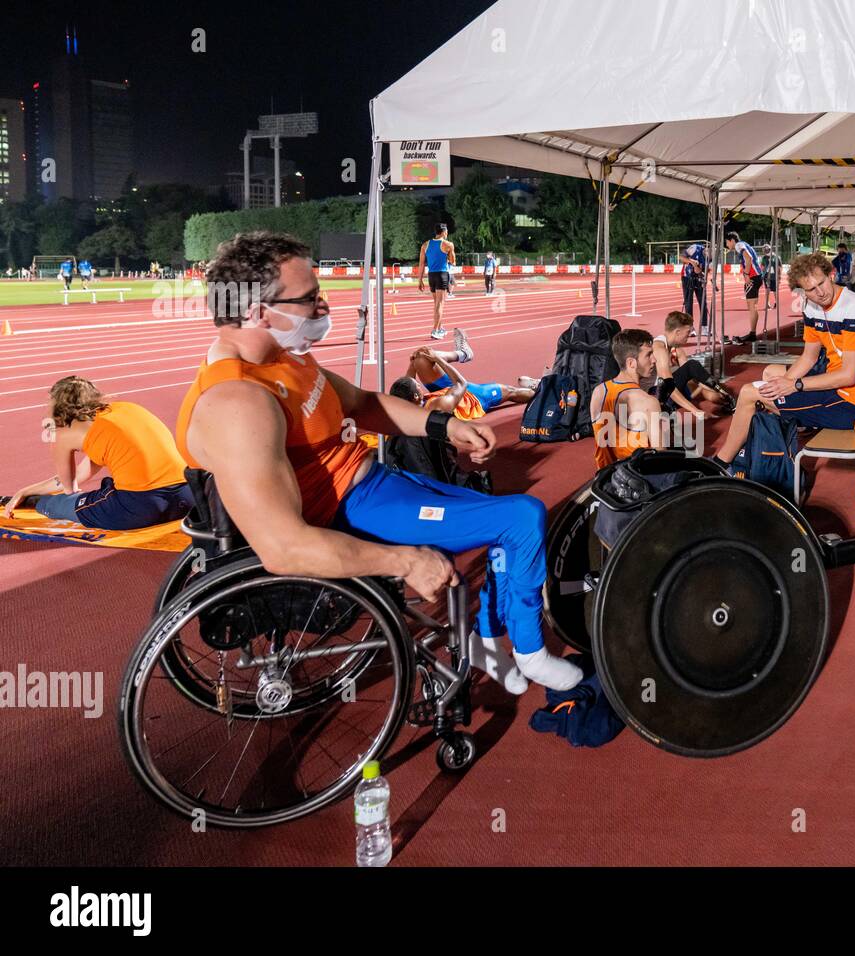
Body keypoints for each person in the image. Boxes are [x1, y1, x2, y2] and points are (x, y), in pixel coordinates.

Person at [177, 231, 580, 694]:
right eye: (309, 298)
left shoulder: (277, 358)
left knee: (497, 515)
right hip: (356, 510)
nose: (325, 307)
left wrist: (444, 427)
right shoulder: (237, 402)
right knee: (522, 518)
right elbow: (283, 548)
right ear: (256, 311)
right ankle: (529, 651)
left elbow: (363, 403)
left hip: (375, 484)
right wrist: (404, 561)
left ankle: (485, 640)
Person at [712, 252, 855, 466]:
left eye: (821, 283)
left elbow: (848, 376)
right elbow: (808, 358)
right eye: (811, 289)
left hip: (850, 401)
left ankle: (720, 464)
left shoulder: (853, 306)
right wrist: (781, 385)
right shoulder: (811, 307)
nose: (820, 293)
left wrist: (795, 385)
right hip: (833, 386)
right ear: (802, 291)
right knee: (771, 375)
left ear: (831, 275)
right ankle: (783, 442)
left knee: (748, 393)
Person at [3, 377, 194, 528]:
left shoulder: (64, 434)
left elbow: (69, 488)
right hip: (187, 497)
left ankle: (16, 502)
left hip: (142, 507)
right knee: (109, 490)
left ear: (58, 407)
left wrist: (26, 492)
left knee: (60, 504)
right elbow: (82, 472)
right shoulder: (126, 409)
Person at [591, 329, 668, 470]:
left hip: (605, 479)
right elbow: (660, 457)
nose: (654, 360)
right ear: (631, 363)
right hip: (638, 482)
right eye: (648, 355)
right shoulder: (648, 402)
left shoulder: (598, 392)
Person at [406, 345, 538, 420]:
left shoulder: (404, 406)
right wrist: (438, 360)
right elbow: (460, 384)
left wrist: (413, 364)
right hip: (472, 398)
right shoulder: (438, 405)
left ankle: (463, 353)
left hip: (447, 391)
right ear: (416, 396)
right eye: (418, 386)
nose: (419, 384)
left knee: (421, 358)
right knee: (510, 391)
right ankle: (539, 391)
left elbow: (407, 384)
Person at [651, 310, 734, 417]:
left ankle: (725, 396)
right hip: (653, 395)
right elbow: (667, 386)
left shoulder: (676, 349)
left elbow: (693, 376)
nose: (689, 336)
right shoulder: (659, 348)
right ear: (677, 332)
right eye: (688, 332)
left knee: (707, 391)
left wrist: (711, 389)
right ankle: (726, 395)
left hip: (665, 391)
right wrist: (696, 411)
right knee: (692, 365)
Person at [416, 223, 456, 340]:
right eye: (447, 231)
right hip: (442, 275)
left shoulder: (425, 245)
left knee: (437, 304)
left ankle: (440, 327)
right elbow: (453, 261)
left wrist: (419, 280)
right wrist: (451, 252)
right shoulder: (448, 244)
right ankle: (435, 330)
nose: (447, 233)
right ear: (443, 232)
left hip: (431, 276)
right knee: (440, 304)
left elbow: (421, 264)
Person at [724, 231, 763, 344]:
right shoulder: (745, 244)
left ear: (732, 240)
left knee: (752, 307)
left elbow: (749, 258)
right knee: (753, 306)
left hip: (752, 277)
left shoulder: (739, 245)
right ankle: (752, 333)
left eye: (727, 242)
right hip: (757, 276)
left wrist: (746, 274)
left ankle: (752, 333)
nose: (727, 245)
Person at [677, 240, 709, 331]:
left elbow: (706, 271)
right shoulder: (695, 248)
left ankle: (704, 327)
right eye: (708, 252)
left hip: (699, 280)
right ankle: (690, 328)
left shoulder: (710, 258)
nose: (708, 255)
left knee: (703, 302)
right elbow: (681, 257)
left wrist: (701, 274)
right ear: (706, 248)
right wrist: (692, 262)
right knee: (688, 303)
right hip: (687, 277)